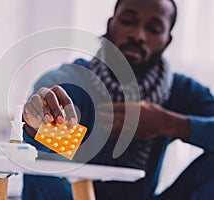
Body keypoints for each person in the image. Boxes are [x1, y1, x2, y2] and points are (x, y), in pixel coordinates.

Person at [22, 0, 214, 199]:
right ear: (110, 24)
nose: (138, 35)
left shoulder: (181, 92)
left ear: (167, 40)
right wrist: (37, 128)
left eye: (154, 29)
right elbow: (52, 171)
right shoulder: (68, 83)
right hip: (75, 196)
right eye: (128, 21)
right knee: (46, 156)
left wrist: (170, 124)